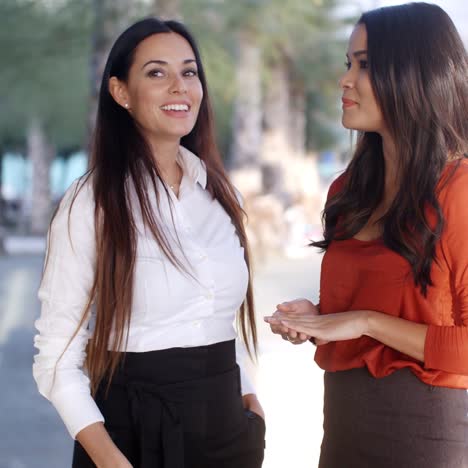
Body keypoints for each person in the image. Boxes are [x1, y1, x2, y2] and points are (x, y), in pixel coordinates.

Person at [33, 17, 265, 468]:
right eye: (157, 73)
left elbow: (217, 318)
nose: (179, 87)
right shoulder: (92, 201)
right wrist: (111, 460)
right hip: (133, 437)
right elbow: (57, 358)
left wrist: (251, 399)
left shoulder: (220, 194)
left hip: (228, 434)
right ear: (121, 93)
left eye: (189, 71)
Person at [265, 3, 468, 467]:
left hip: (422, 437)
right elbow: (361, 318)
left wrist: (363, 320)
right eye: (348, 64)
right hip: (341, 432)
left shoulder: (458, 191)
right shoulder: (347, 192)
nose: (345, 80)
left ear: (415, 74)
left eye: (366, 65)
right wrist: (317, 321)